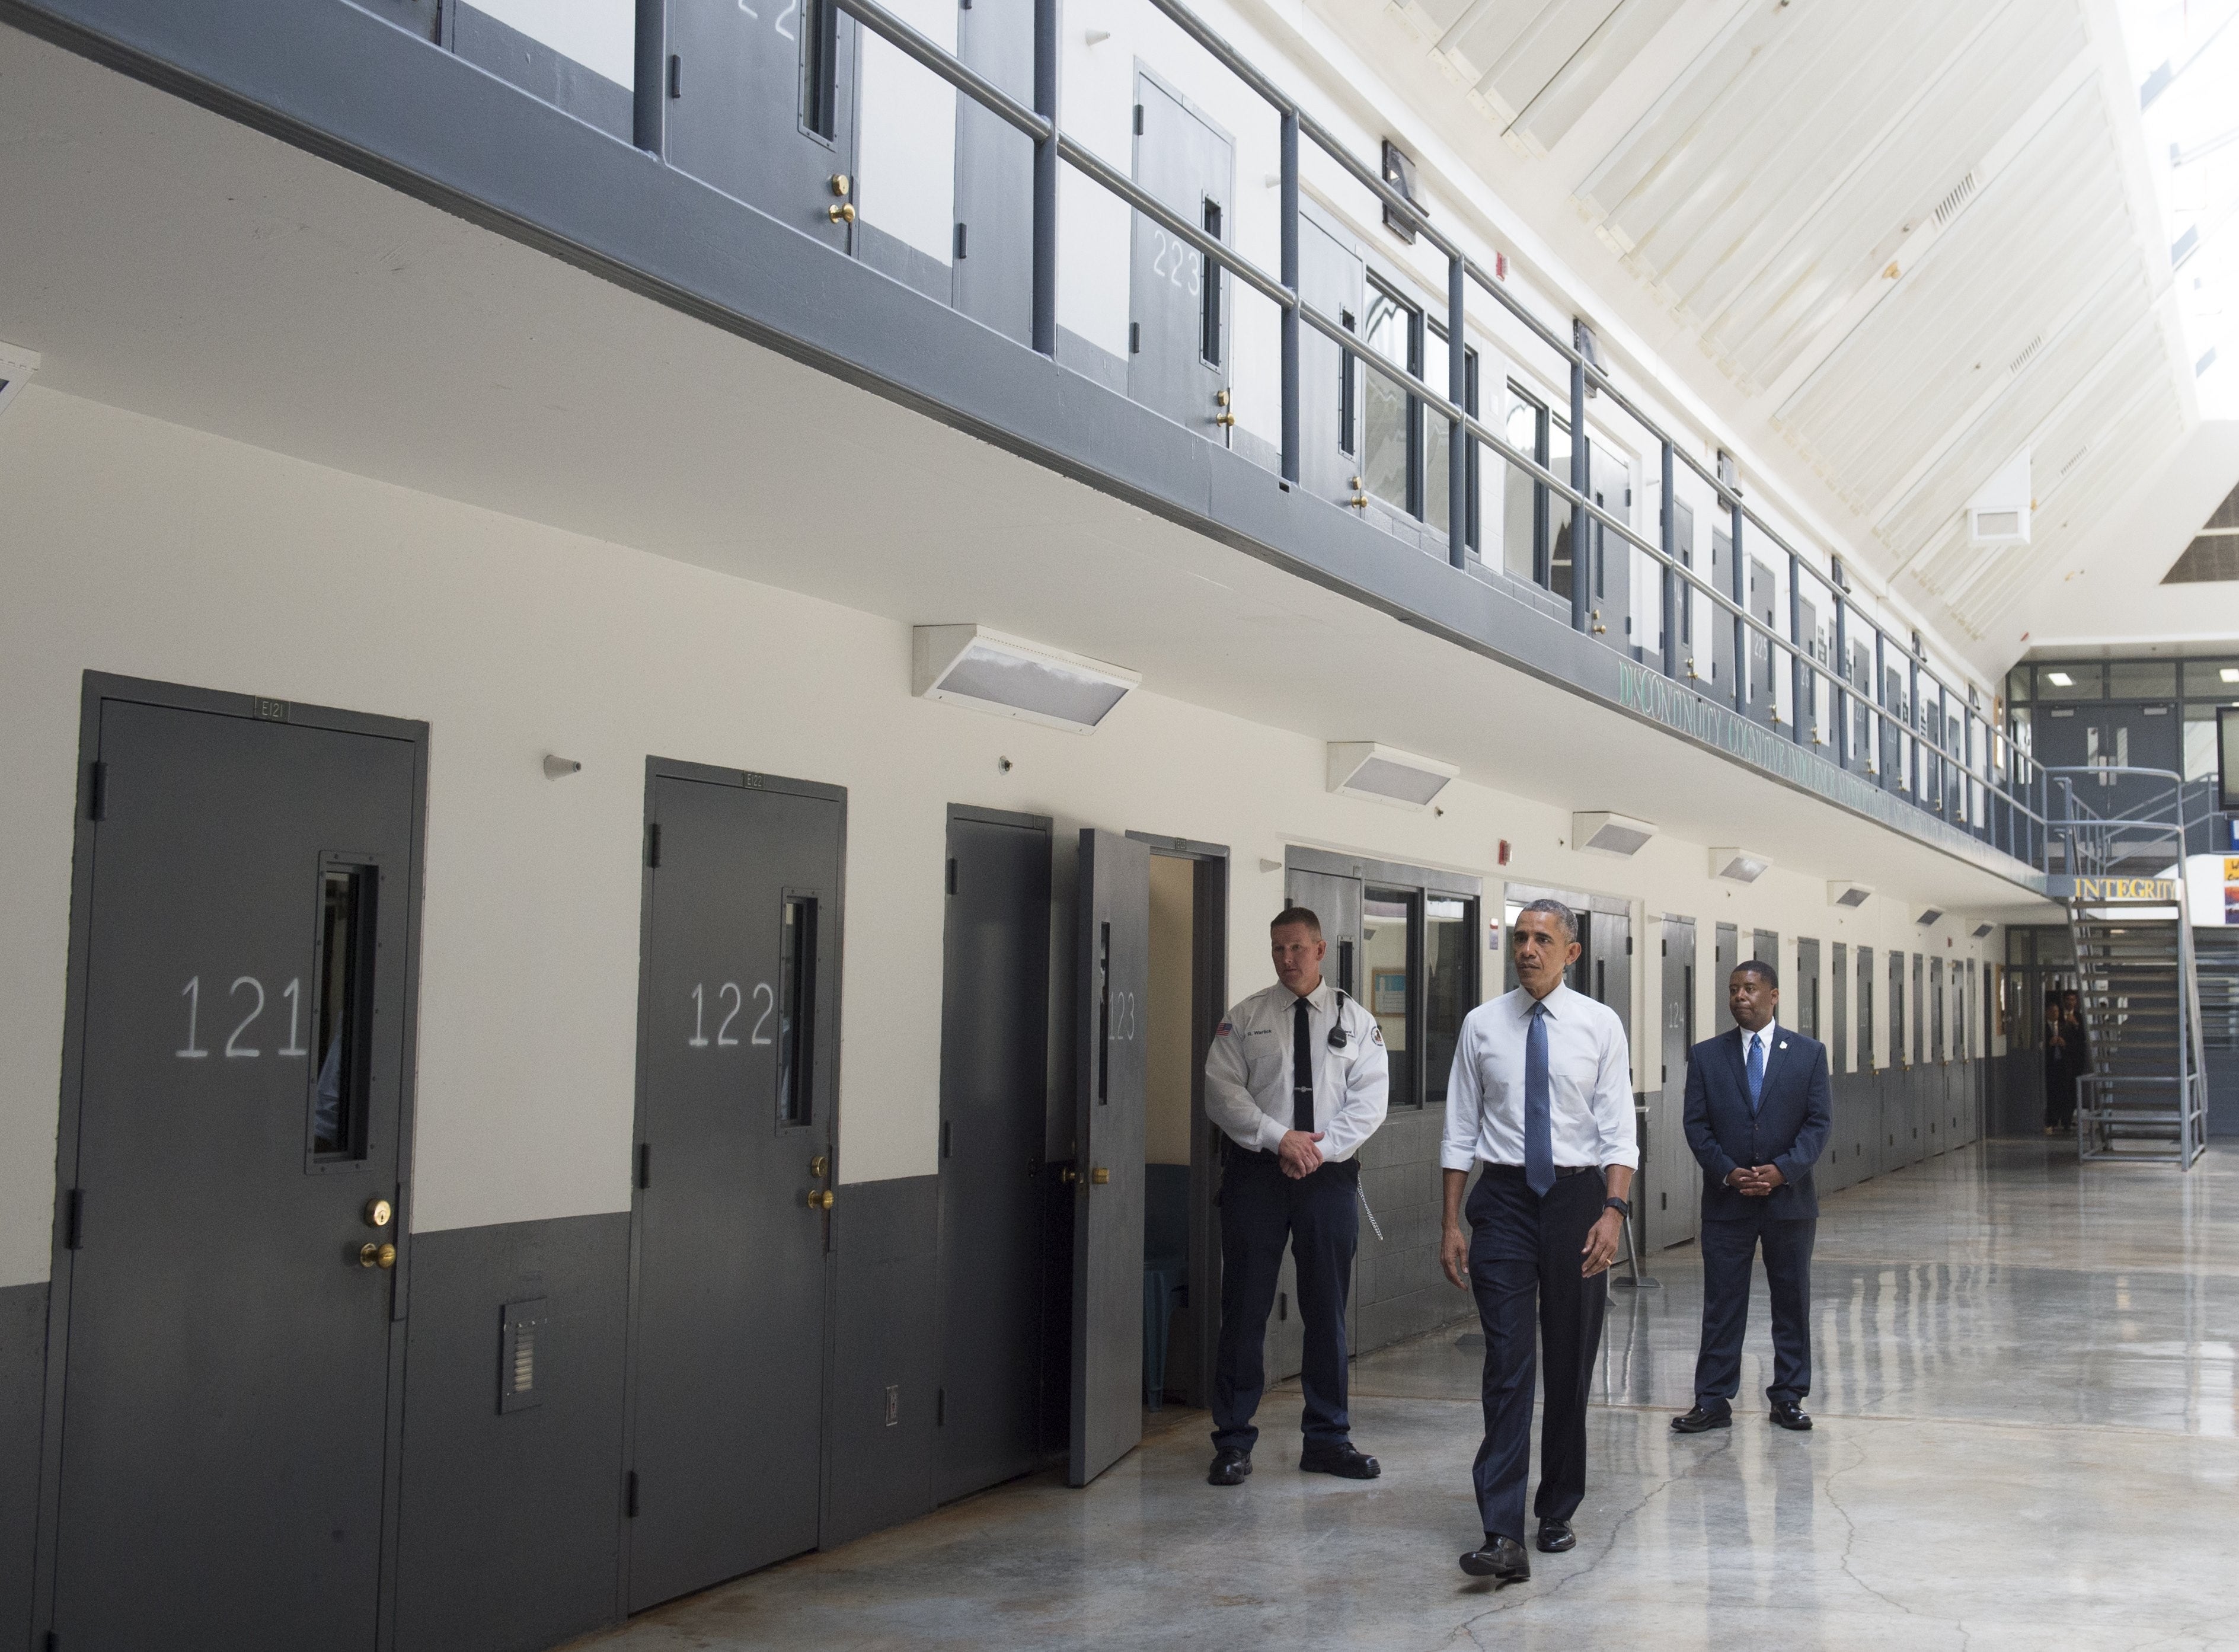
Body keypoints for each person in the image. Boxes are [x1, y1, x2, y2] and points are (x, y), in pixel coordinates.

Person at [1439, 899, 1637, 1585]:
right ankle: (1501, 1530)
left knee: (1570, 1361)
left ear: (1571, 953)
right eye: (1520, 937)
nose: (1527, 949)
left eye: (1542, 939)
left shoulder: (1600, 1026)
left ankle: (1556, 1507)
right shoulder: (1481, 1026)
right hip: (1505, 1204)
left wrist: (1613, 1213)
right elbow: (1460, 1127)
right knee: (1508, 1364)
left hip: (1581, 1202)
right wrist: (1450, 1222)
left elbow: (1619, 1131)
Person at [1202, 906, 1390, 1488]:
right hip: (1257, 1175)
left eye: (1297, 949)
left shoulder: (1356, 1022)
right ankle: (1232, 1441)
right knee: (1245, 1310)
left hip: (1328, 1180)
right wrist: (1278, 1137)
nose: (1287, 959)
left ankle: (1328, 1438)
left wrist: (1318, 1149)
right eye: (1278, 948)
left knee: (1326, 1312)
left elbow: (1370, 1100)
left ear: (1321, 950)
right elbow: (1221, 1092)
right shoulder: (1247, 1018)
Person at [1671, 960, 1831, 1438]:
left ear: (1773, 995)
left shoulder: (1807, 1054)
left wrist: (1783, 1170)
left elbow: (1818, 1123)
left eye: (1750, 988)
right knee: (1722, 1301)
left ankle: (1788, 1397)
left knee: (1791, 1299)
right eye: (1733, 989)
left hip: (1790, 1202)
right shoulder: (1706, 1056)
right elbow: (1695, 1125)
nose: (1740, 996)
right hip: (1728, 1202)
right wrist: (1727, 1171)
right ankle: (1713, 1399)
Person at [2042, 989, 2070, 1136]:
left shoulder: (2064, 1027)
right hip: (2049, 1065)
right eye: (2052, 1012)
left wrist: (2064, 1044)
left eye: (2057, 1012)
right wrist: (2049, 1044)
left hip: (2062, 1064)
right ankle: (2051, 1120)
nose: (2055, 1014)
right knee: (2051, 1093)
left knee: (2063, 1093)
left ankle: (2064, 1119)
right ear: (2047, 1013)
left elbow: (2072, 1045)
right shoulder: (2042, 1028)